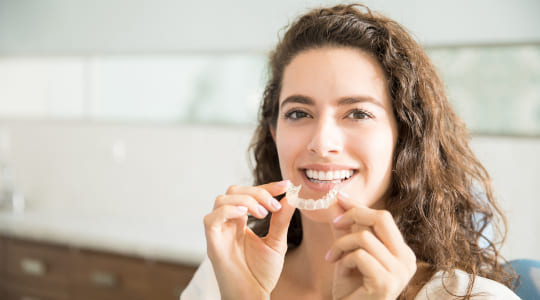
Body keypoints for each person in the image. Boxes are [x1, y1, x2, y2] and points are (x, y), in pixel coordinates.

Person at [182, 3, 519, 299]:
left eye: (358, 113)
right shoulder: (221, 278)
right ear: (275, 134)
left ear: (406, 138)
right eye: (299, 113)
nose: (321, 142)